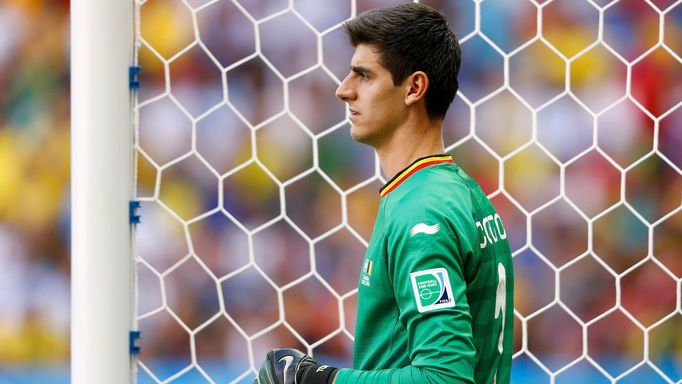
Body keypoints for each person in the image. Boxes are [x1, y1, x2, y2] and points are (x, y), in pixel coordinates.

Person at [255, 3, 514, 384]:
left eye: (363, 76)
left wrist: (319, 380)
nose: (343, 90)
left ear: (414, 87)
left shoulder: (422, 214)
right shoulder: (460, 191)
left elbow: (445, 378)